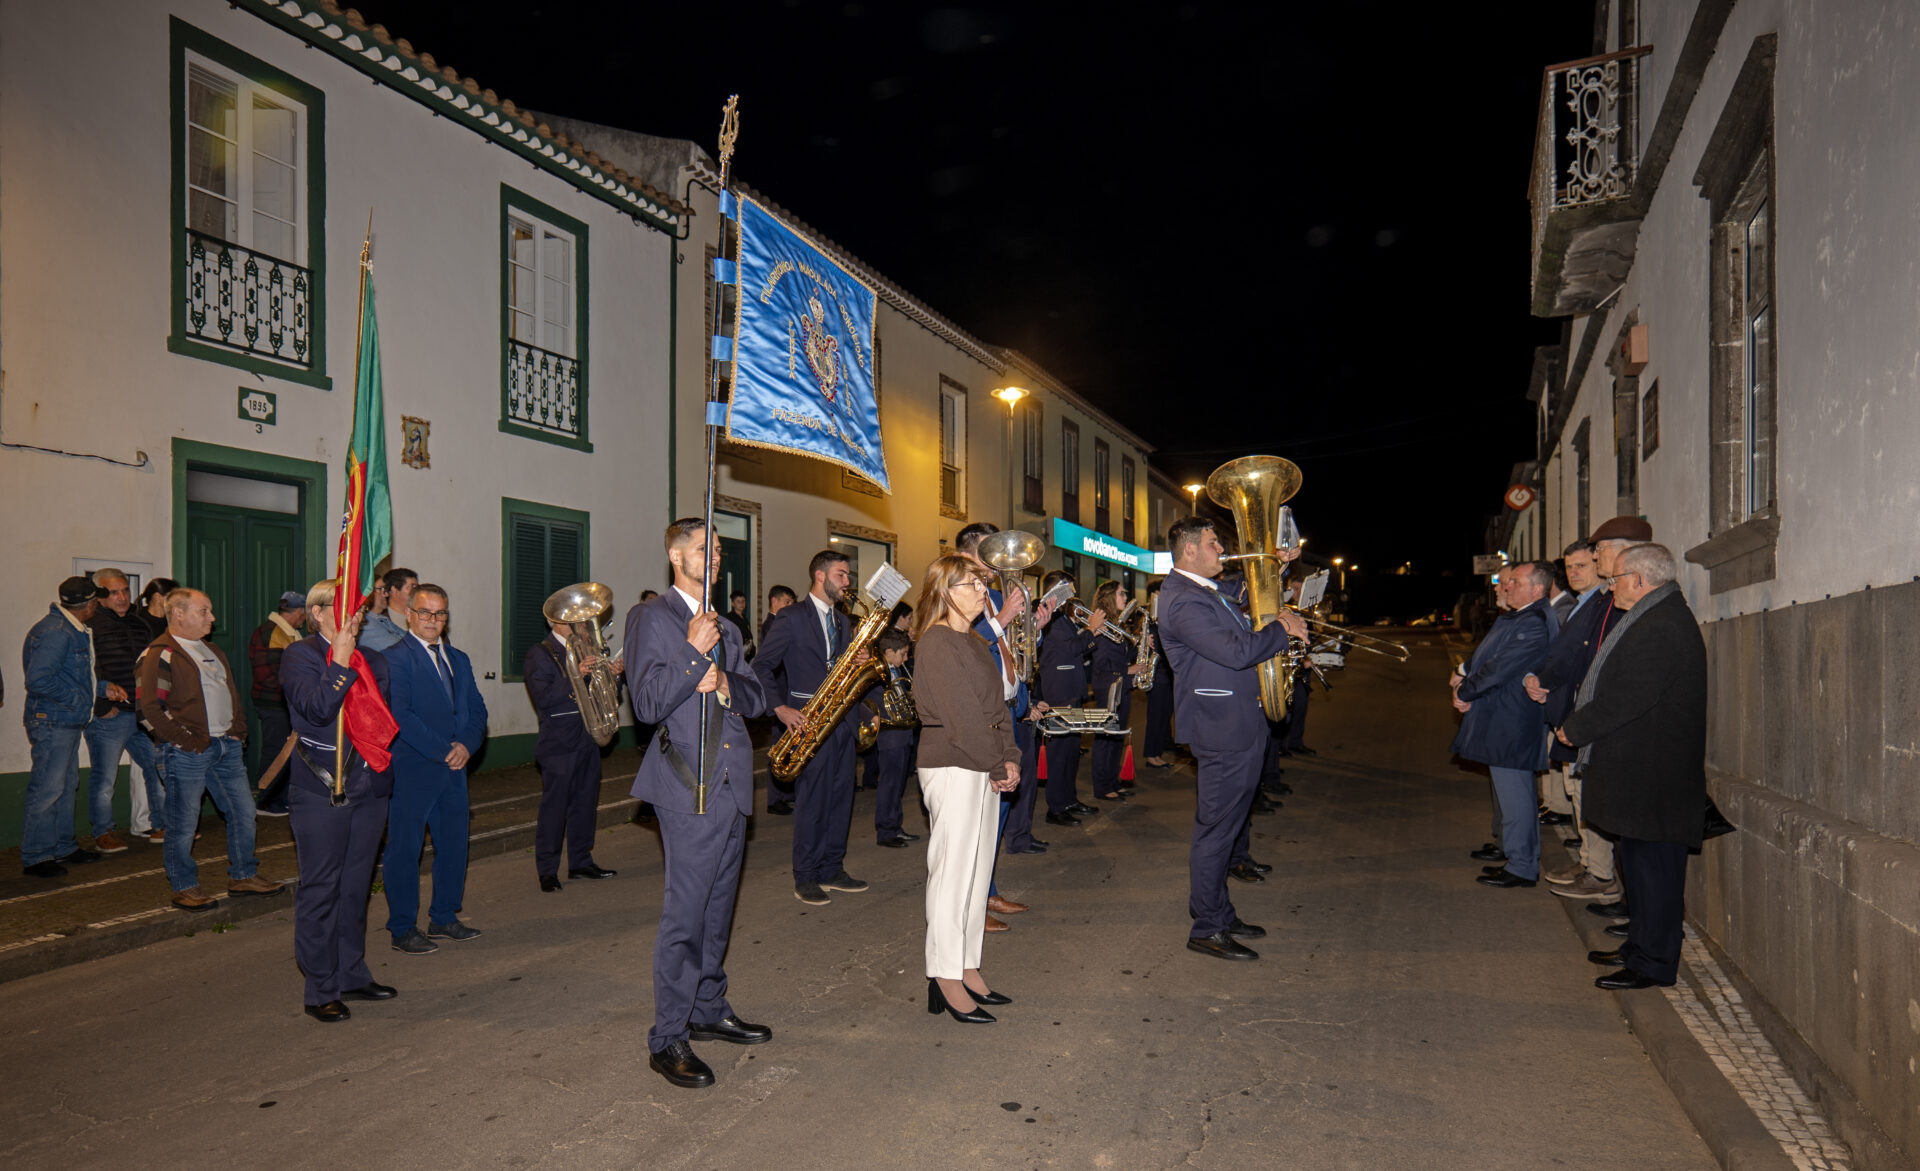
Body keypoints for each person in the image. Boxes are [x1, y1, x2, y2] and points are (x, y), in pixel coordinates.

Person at [626, 517, 771, 1089]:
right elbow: (646, 703)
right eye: (701, 549)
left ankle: (708, 1007)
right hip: (687, 785)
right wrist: (692, 656)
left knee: (717, 910)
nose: (712, 558)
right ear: (674, 555)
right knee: (685, 917)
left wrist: (728, 683)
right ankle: (668, 1037)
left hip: (731, 784)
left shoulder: (727, 626)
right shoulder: (651, 618)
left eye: (716, 550)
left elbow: (757, 697)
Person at [1558, 544, 1706, 990]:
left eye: (1616, 579)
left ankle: (1653, 964)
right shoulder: (1654, 616)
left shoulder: (1662, 625)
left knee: (1655, 878)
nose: (1611, 587)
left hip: (1654, 778)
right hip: (1641, 774)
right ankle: (1637, 948)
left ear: (1639, 580)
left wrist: (1576, 728)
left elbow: (1627, 697)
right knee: (1639, 873)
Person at [1157, 518, 1307, 960]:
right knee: (1216, 832)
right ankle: (1207, 927)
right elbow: (1238, 652)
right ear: (1188, 551)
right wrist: (1283, 629)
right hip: (1221, 727)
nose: (1221, 549)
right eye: (1213, 543)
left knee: (1230, 826)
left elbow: (1246, 592)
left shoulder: (1206, 590)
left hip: (1239, 721)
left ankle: (1219, 912)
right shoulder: (1182, 599)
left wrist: (1276, 566)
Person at [280, 580, 400, 1022]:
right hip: (321, 790)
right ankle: (320, 988)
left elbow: (380, 726)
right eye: (345, 606)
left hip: (368, 789)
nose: (356, 616)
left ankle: (351, 972)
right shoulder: (301, 656)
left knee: (355, 888)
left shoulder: (376, 661)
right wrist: (341, 661)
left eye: (359, 608)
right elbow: (316, 711)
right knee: (321, 890)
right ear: (317, 613)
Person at [910, 555, 1021, 1023]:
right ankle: (944, 975)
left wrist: (1011, 756)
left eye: (981, 583)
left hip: (984, 762)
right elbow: (962, 720)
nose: (982, 591)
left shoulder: (974, 640)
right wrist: (998, 763)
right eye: (971, 584)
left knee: (975, 875)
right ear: (945, 591)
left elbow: (998, 708)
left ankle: (966, 964)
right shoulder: (936, 642)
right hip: (953, 764)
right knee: (951, 876)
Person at [137, 588, 287, 909]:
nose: (212, 618)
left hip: (225, 746)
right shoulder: (160, 653)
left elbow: (230, 694)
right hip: (187, 751)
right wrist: (186, 741)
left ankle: (243, 875)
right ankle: (184, 886)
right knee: (183, 821)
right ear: (178, 613)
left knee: (243, 812)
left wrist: (237, 732)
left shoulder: (213, 650)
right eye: (204, 611)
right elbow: (149, 709)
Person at [753, 549, 869, 906]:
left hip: (842, 723)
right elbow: (761, 666)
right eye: (840, 575)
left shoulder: (843, 621)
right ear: (820, 576)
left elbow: (841, 671)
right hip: (807, 722)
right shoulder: (790, 617)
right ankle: (805, 875)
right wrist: (779, 708)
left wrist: (859, 661)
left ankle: (832, 868)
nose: (847, 582)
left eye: (848, 576)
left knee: (840, 800)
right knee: (812, 803)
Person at [382, 583, 488, 953]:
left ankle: (443, 916)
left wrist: (467, 746)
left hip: (455, 769)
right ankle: (402, 927)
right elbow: (400, 715)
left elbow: (477, 709)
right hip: (414, 768)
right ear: (409, 614)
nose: (432, 619)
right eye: (425, 612)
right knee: (404, 850)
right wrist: (445, 750)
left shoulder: (458, 658)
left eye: (440, 613)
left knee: (454, 845)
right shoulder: (394, 658)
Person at [1449, 561, 1559, 890]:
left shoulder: (1533, 622)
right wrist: (1465, 678)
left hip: (1512, 721)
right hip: (1505, 718)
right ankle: (1516, 857)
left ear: (1537, 589)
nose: (1507, 586)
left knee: (1516, 797)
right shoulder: (1521, 617)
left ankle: (1522, 867)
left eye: (1516, 582)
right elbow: (1488, 657)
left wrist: (1464, 691)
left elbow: (1499, 669)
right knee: (1512, 795)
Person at [1526, 534, 1622, 900]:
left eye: (1582, 565)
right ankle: (1589, 863)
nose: (1574, 572)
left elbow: (1584, 663)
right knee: (1576, 793)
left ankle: (1599, 873)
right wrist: (1539, 678)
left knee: (1585, 796)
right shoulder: (1586, 603)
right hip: (1569, 714)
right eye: (1569, 567)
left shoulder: (1605, 604)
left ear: (1599, 565)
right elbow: (1563, 656)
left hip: (1583, 717)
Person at [20, 576, 119, 877]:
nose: (98, 605)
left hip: (63, 720)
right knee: (48, 788)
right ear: (88, 605)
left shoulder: (68, 629)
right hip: (53, 721)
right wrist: (78, 700)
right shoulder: (57, 632)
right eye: (97, 600)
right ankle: (37, 855)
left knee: (63, 786)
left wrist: (102, 688)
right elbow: (39, 680)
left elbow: (69, 676)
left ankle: (63, 846)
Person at [525, 614, 615, 892]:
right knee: (555, 809)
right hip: (559, 744)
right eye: (577, 621)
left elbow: (604, 693)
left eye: (584, 622)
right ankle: (547, 870)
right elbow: (544, 697)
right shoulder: (540, 653)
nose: (583, 627)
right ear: (558, 623)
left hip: (588, 737)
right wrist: (577, 674)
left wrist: (613, 676)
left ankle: (581, 861)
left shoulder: (587, 651)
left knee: (585, 804)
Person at [84, 568, 160, 849]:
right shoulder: (90, 625)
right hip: (109, 716)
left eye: (125, 590)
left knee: (157, 766)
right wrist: (101, 705)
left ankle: (161, 825)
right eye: (114, 592)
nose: (122, 597)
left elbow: (149, 666)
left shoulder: (140, 624)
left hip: (140, 713)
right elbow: (86, 670)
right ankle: (103, 832)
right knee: (105, 778)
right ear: (100, 595)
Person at [1037, 570, 1101, 826]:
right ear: (1058, 589)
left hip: (1072, 691)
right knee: (1059, 753)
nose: (1073, 595)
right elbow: (1073, 647)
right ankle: (1056, 807)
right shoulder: (1048, 616)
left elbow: (1076, 650)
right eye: (1069, 590)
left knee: (1072, 751)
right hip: (1059, 693)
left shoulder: (1062, 617)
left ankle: (1069, 799)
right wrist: (1091, 630)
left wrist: (1090, 633)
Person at [247, 590, 308, 816]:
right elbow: (269, 676)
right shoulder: (272, 633)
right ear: (299, 612)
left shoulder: (282, 632)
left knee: (283, 749)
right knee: (276, 750)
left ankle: (278, 797)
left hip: (281, 701)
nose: (305, 619)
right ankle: (267, 801)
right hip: (275, 703)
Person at [1087, 581, 1148, 802]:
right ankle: (1102, 787)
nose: (1125, 597)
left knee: (1116, 737)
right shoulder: (1103, 626)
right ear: (1109, 597)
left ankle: (1112, 781)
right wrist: (1128, 669)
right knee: (1106, 737)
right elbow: (1102, 663)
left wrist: (1141, 644)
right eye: (1121, 593)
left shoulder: (1117, 624)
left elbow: (1121, 655)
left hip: (1121, 685)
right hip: (1108, 687)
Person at [867, 628, 921, 847]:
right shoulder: (876, 674)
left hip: (902, 733)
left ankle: (895, 826)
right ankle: (886, 831)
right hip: (890, 735)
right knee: (890, 784)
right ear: (889, 652)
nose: (906, 658)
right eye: (903, 654)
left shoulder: (896, 670)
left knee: (898, 785)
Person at [759, 584, 797, 814]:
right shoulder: (771, 625)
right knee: (778, 747)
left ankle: (786, 792)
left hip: (786, 692)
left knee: (789, 745)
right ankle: (774, 798)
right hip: (779, 694)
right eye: (787, 602)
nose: (789, 607)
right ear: (774, 601)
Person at [1140, 579, 1177, 768]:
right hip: (1157, 674)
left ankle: (1158, 751)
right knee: (1156, 717)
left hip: (1166, 673)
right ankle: (1151, 755)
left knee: (1164, 716)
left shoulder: (1162, 615)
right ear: (1156, 594)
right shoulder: (1151, 617)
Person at [356, 568, 417, 654]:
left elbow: (412, 641)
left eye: (385, 589)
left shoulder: (384, 620)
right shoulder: (366, 623)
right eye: (381, 589)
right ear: (368, 592)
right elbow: (401, 650)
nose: (386, 594)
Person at [724, 591, 756, 661]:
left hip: (747, 654)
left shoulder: (745, 618)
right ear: (732, 604)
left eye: (743, 601)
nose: (741, 604)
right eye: (738, 602)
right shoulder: (729, 618)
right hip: (736, 653)